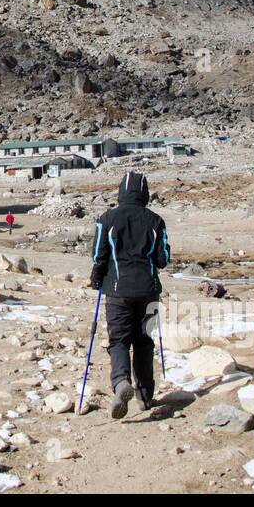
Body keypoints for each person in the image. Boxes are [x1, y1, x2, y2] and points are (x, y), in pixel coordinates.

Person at [89, 171, 168, 420]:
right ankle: (144, 394)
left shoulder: (107, 219)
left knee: (119, 340)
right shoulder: (156, 221)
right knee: (144, 340)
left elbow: (98, 255)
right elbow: (163, 259)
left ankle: (121, 381)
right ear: (144, 193)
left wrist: (96, 278)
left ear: (120, 193)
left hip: (117, 290)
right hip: (148, 289)